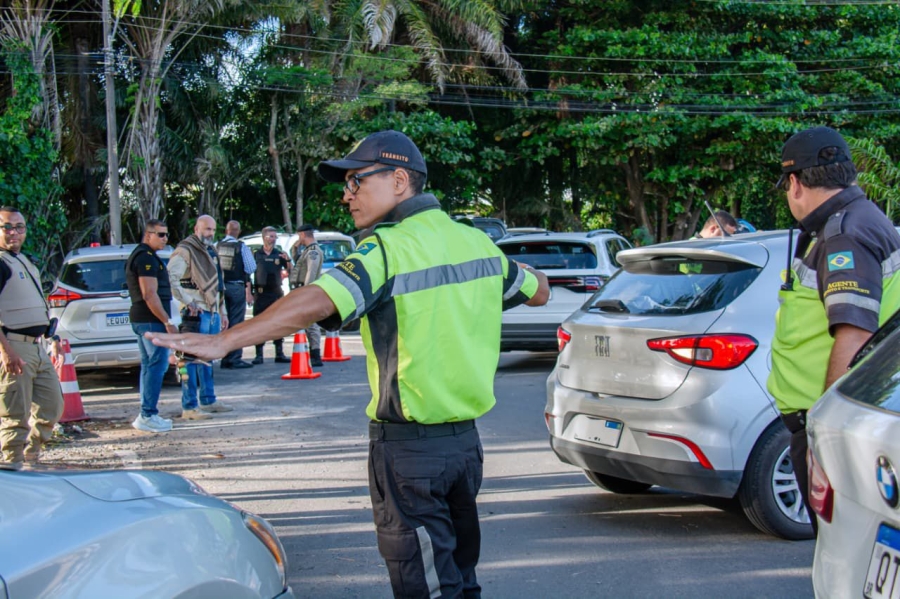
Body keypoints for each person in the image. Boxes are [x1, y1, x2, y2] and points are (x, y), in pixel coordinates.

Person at [149, 129, 550, 598]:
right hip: (465, 451)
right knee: (461, 578)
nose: (347, 195)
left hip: (410, 455)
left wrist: (224, 341)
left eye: (356, 181)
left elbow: (318, 299)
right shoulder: (477, 244)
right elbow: (538, 290)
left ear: (399, 180)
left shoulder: (387, 249)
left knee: (426, 586)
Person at [768, 126, 900, 535]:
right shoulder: (856, 221)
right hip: (852, 420)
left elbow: (854, 334)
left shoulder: (843, 235)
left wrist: (827, 437)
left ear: (794, 183)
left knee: (842, 552)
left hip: (835, 427)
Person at [0, 206, 64, 470]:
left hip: (37, 347)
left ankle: (31, 454)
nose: (14, 232)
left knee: (52, 406)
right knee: (15, 413)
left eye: (19, 227)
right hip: (14, 346)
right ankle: (11, 465)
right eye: (7, 227)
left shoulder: (22, 260)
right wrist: (6, 351)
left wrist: (53, 338)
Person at [167, 215, 232, 420]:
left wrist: (222, 311)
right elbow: (171, 278)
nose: (210, 233)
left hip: (212, 312)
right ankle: (189, 406)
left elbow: (218, 285)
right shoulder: (185, 250)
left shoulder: (210, 250)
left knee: (208, 359)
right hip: (194, 314)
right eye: (206, 229)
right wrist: (188, 301)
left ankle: (208, 400)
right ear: (196, 229)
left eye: (212, 229)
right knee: (188, 361)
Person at [126, 219, 178, 433]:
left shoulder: (146, 255)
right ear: (148, 235)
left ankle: (146, 413)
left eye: (167, 235)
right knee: (157, 365)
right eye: (161, 234)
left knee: (150, 365)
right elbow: (149, 294)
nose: (165, 239)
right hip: (150, 320)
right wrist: (167, 321)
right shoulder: (145, 258)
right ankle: (148, 414)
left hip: (146, 319)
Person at [217, 220, 255, 369]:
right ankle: (234, 358)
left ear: (226, 231)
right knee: (237, 323)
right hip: (236, 287)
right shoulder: (241, 247)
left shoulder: (217, 245)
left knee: (224, 323)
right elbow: (251, 268)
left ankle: (224, 357)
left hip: (220, 288)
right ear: (238, 231)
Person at [251, 226, 292, 364]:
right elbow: (247, 273)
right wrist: (249, 293)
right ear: (264, 237)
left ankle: (279, 353)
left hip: (275, 293)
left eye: (275, 237)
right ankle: (259, 354)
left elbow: (290, 271)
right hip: (260, 293)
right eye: (271, 236)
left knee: (278, 323)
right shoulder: (256, 254)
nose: (274, 239)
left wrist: (288, 261)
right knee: (259, 323)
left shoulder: (279, 254)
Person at [289, 223, 324, 366]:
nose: (299, 239)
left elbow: (311, 272)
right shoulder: (307, 250)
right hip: (301, 290)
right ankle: (310, 353)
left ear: (303, 234)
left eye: (299, 236)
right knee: (305, 322)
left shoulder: (313, 252)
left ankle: (315, 355)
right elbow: (297, 261)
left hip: (306, 291)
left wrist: (306, 293)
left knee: (311, 323)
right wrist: (295, 248)